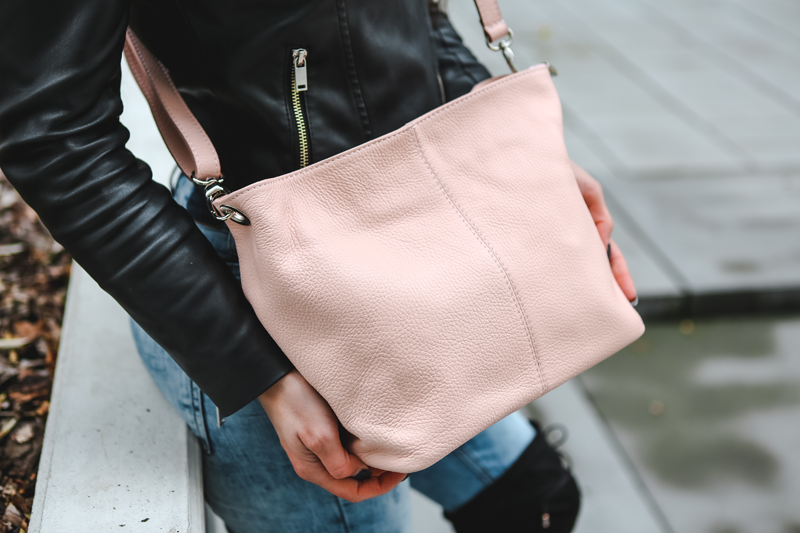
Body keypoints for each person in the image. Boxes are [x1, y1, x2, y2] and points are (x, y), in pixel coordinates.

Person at [0, 0, 636, 531]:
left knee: (535, 500)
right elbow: (52, 135)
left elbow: (415, 18)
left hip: (425, 242)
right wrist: (262, 372)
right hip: (276, 305)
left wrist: (514, 156)